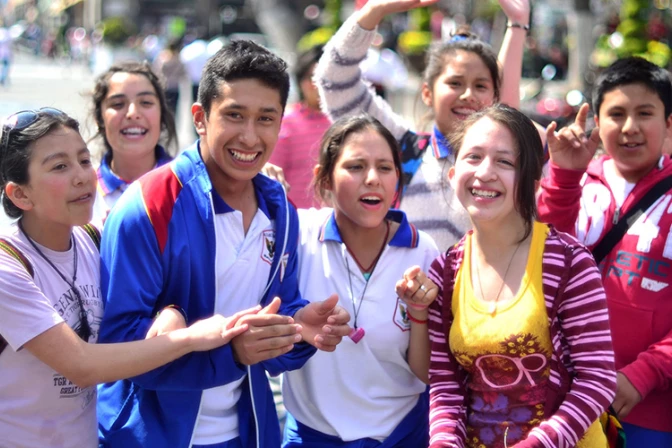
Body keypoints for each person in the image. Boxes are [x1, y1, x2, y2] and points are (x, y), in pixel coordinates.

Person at [96, 40, 351, 448]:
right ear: (200, 117)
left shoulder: (278, 207)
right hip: (147, 435)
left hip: (245, 432)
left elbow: (274, 315)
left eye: (266, 118)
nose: (250, 137)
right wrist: (232, 353)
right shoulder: (148, 206)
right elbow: (115, 352)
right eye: (234, 115)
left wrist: (297, 329)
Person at [0, 108, 263, 448]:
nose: (81, 176)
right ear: (20, 194)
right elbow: (81, 365)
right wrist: (191, 338)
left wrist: (172, 311)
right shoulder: (9, 266)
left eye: (83, 160)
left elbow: (151, 302)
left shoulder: (96, 239)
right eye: (60, 166)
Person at [424, 104, 616, 447]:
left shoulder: (570, 263)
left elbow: (597, 380)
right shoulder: (445, 271)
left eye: (504, 161)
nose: (485, 173)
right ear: (453, 175)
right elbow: (445, 384)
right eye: (473, 157)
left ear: (531, 182)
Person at [314, 0, 536, 251]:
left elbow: (509, 119)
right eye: (455, 83)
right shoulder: (402, 149)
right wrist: (373, 12)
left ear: (496, 96)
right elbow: (333, 81)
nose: (468, 95)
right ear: (427, 93)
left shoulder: (511, 160)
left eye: (481, 86)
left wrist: (517, 25)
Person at [281, 114, 440, 447]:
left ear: (398, 178)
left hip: (403, 435)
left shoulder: (422, 250)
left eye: (385, 168)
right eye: (355, 167)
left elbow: (427, 373)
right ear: (324, 178)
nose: (372, 179)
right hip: (311, 436)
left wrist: (419, 313)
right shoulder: (297, 234)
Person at [538, 56, 672, 447]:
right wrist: (564, 177)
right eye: (616, 113)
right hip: (563, 401)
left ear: (668, 123)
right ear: (597, 121)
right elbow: (547, 264)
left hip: (650, 413)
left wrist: (640, 376)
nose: (629, 127)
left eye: (644, 113)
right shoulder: (572, 180)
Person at [89, 61, 177, 223]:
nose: (133, 113)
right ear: (99, 119)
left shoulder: (188, 185)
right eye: (117, 104)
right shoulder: (82, 190)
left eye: (146, 103)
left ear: (162, 116)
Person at [268, 45, 331, 209]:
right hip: (297, 221)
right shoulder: (286, 122)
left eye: (325, 77)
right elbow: (272, 178)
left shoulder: (348, 122)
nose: (317, 84)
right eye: (311, 77)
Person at [153, 38, 187, 116]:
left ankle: (167, 125)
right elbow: (183, 73)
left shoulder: (163, 57)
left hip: (165, 86)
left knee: (164, 108)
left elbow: (157, 70)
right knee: (174, 109)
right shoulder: (179, 59)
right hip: (175, 86)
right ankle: (172, 125)